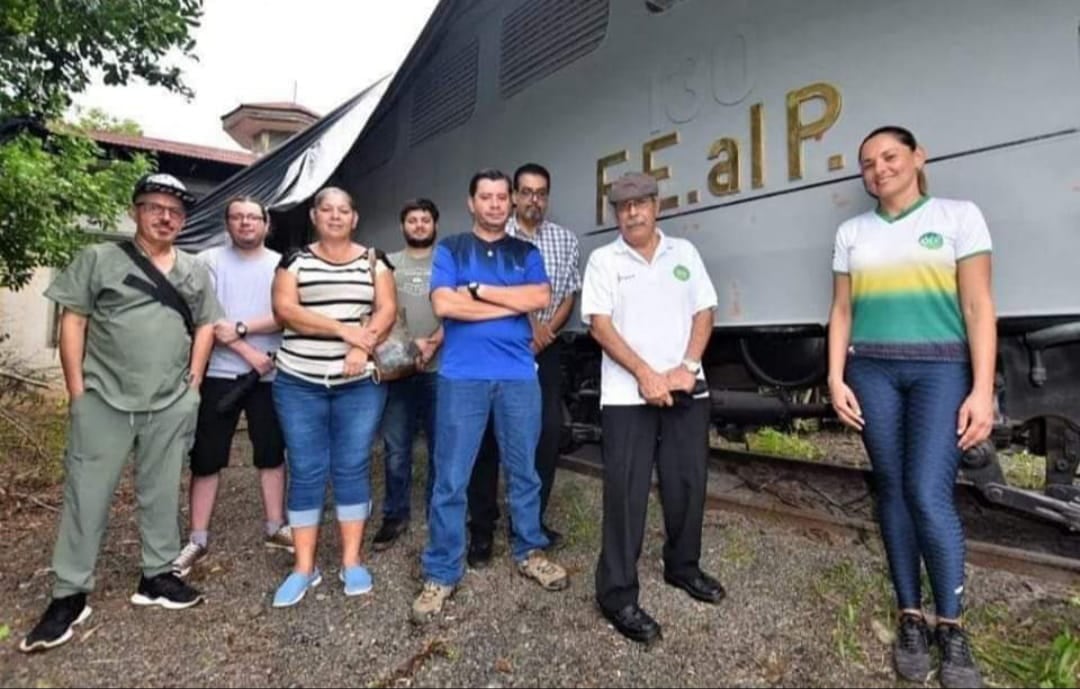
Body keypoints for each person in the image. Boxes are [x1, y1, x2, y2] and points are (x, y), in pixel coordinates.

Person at [20, 173, 221, 653]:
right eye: (154, 207)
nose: (165, 216)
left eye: (175, 210)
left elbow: (207, 324)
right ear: (135, 211)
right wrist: (76, 390)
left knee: (160, 491)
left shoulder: (193, 269)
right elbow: (74, 320)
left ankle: (156, 575)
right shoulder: (99, 259)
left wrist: (193, 383)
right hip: (104, 399)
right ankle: (69, 593)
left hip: (170, 400)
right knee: (86, 494)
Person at [828, 126, 994, 689]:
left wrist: (981, 389)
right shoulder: (851, 231)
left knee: (928, 491)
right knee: (893, 489)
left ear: (918, 157)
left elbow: (978, 306)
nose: (879, 169)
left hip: (941, 369)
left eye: (890, 156)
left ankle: (952, 625)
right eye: (868, 163)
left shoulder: (957, 217)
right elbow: (842, 313)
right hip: (871, 369)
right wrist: (834, 377)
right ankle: (910, 616)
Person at [411, 169, 569, 625]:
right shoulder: (452, 248)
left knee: (524, 471)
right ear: (471, 202)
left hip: (518, 376)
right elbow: (444, 305)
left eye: (503, 197)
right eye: (488, 197)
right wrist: (507, 302)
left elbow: (539, 297)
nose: (497, 204)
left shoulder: (526, 251)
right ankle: (441, 572)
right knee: (451, 478)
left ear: (511, 203)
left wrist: (479, 292)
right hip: (463, 377)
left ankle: (529, 550)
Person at [581, 171, 725, 645]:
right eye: (623, 207)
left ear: (656, 207)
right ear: (616, 214)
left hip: (686, 387)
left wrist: (686, 367)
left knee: (687, 484)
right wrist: (644, 373)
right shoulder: (604, 260)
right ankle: (617, 593)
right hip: (627, 397)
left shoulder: (684, 253)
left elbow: (704, 310)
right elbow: (600, 326)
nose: (633, 212)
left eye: (641, 203)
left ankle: (682, 567)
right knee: (625, 492)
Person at [269, 186, 396, 607]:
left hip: (358, 384)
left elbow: (386, 310)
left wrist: (363, 345)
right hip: (298, 380)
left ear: (355, 218)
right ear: (315, 216)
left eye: (344, 210)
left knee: (352, 465)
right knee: (305, 468)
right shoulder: (294, 260)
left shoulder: (375, 261)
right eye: (328, 209)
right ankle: (304, 567)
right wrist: (344, 331)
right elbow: (286, 309)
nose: (336, 216)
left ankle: (351, 559)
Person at [467, 163, 582, 565]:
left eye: (541, 192)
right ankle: (481, 527)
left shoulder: (565, 240)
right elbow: (502, 294)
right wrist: (531, 329)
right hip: (499, 344)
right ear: (513, 195)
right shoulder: (498, 237)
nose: (534, 199)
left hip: (545, 348)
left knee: (547, 433)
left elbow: (567, 292)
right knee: (487, 437)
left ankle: (528, 522)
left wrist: (546, 331)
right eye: (527, 191)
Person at [171, 197, 291, 578]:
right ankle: (198, 537)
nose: (245, 223)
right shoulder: (209, 261)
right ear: (227, 223)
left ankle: (277, 527)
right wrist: (247, 350)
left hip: (270, 374)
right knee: (207, 456)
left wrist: (242, 331)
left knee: (271, 452)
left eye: (253, 217)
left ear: (266, 224)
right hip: (220, 372)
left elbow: (285, 313)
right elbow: (208, 320)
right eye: (237, 217)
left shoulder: (281, 264)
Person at [371, 198, 443, 551]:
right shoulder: (387, 264)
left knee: (439, 446)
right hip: (398, 370)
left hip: (440, 367)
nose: (418, 225)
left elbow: (458, 310)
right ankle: (395, 515)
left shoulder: (447, 261)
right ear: (403, 226)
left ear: (435, 225)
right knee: (397, 447)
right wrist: (404, 347)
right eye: (412, 219)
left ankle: (437, 512)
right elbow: (376, 311)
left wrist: (430, 344)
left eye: (425, 219)